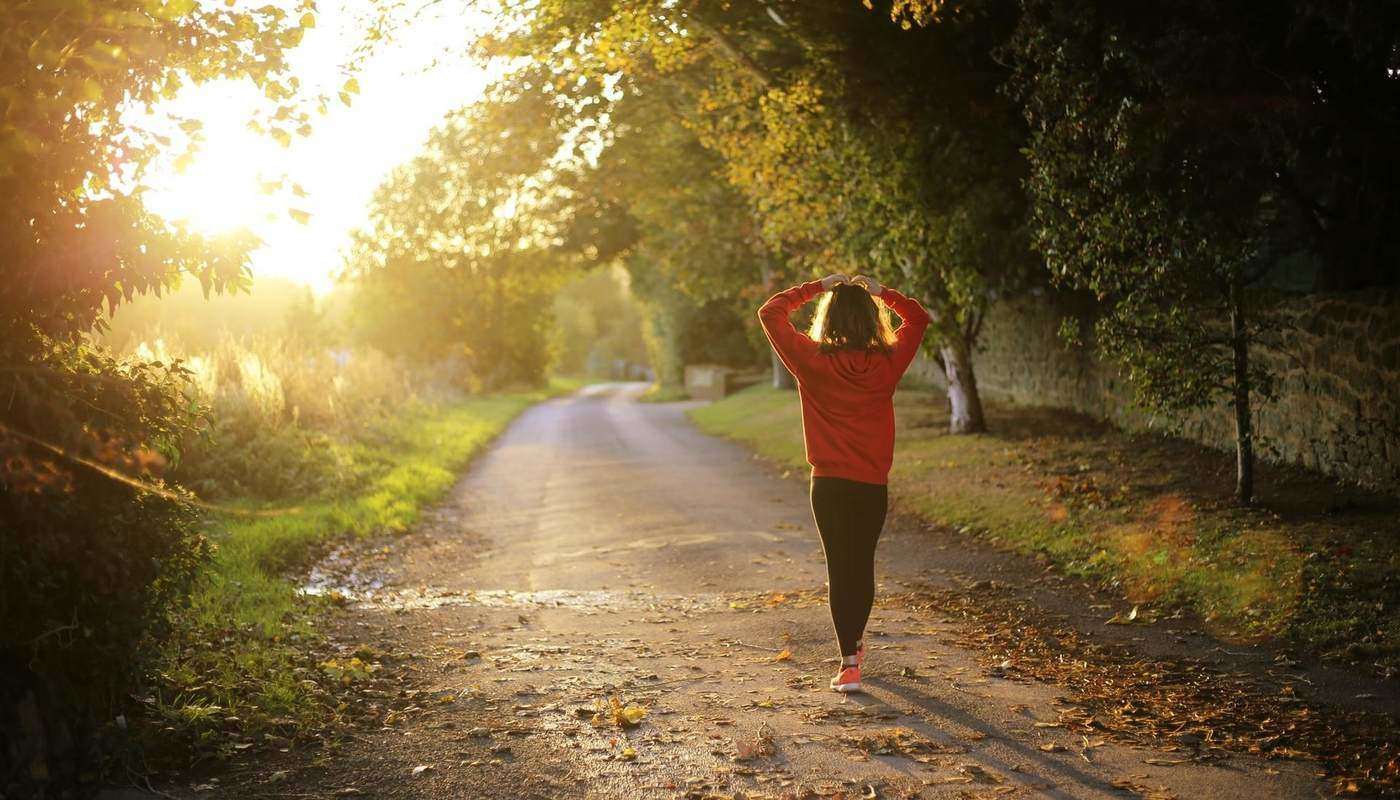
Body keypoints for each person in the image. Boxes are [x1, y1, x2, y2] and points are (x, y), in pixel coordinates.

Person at [757, 273, 930, 693]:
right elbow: (919, 319)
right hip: (871, 484)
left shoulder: (812, 360)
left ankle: (849, 662)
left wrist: (817, 286)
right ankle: (854, 643)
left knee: (840, 568)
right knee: (861, 565)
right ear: (872, 319)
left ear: (828, 318)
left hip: (830, 485)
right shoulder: (887, 362)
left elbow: (771, 312)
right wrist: (883, 293)